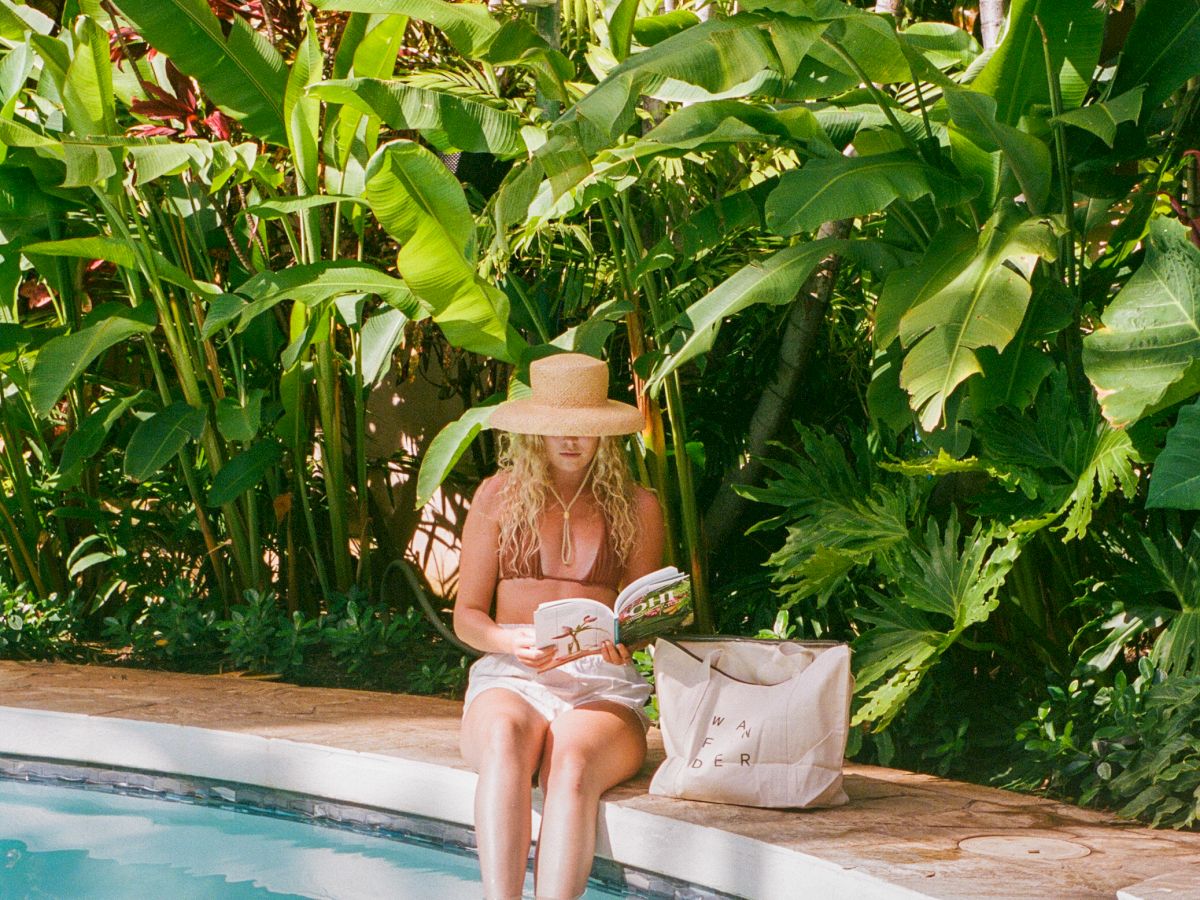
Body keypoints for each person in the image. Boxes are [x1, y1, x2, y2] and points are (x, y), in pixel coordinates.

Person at [454, 353, 666, 900]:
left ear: (605, 433)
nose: (572, 440)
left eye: (585, 430)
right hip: (512, 673)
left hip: (601, 684)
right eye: (559, 428)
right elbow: (467, 616)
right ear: (536, 429)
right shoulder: (497, 497)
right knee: (504, 739)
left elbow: (642, 616)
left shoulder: (639, 506)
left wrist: (627, 641)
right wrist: (507, 640)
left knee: (570, 763)